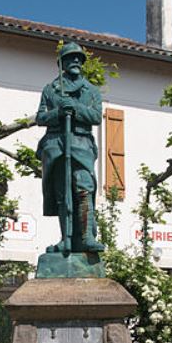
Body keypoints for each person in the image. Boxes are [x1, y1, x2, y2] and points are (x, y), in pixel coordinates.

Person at [35, 42, 105, 254]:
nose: (75, 61)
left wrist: (75, 108)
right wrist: (57, 113)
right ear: (62, 63)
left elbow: (95, 116)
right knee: (62, 193)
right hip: (56, 145)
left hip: (82, 144)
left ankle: (86, 238)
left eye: (78, 58)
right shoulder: (50, 89)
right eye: (70, 58)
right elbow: (40, 117)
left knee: (84, 188)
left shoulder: (91, 91)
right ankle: (65, 240)